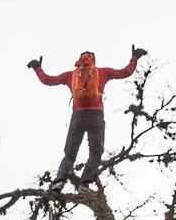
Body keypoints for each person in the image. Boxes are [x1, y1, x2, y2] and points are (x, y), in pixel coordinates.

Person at [28, 47, 147, 187]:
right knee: (96, 151)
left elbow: (48, 80)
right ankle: (86, 182)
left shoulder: (71, 75)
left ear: (80, 60)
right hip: (95, 115)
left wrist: (37, 68)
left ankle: (59, 181)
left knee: (70, 152)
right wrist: (135, 57)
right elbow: (125, 72)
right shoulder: (103, 72)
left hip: (78, 116)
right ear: (93, 61)